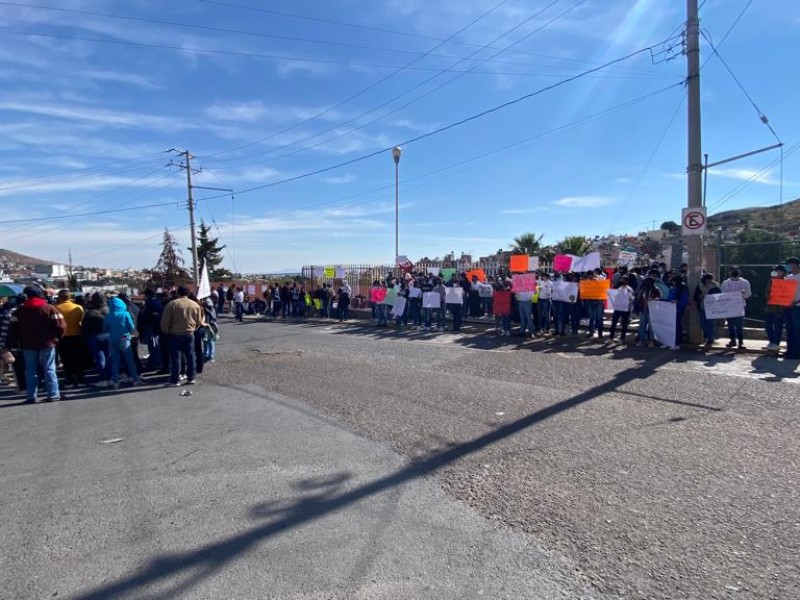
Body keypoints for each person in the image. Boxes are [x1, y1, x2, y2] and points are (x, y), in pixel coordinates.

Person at [6, 286, 67, 403]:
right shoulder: (49, 308)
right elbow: (61, 326)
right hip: (47, 344)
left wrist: (17, 343)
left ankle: (31, 396)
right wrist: (56, 339)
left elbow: (13, 330)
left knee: (30, 371)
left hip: (28, 345)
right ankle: (53, 394)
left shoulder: (19, 311)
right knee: (49, 369)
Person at [160, 285, 205, 387]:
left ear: (178, 293)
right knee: (190, 356)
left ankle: (175, 380)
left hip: (174, 334)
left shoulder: (172, 304)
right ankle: (191, 378)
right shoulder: (195, 305)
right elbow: (199, 321)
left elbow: (165, 322)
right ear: (188, 293)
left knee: (175, 357)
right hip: (189, 333)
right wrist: (193, 329)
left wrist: (166, 331)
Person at [104, 296, 143, 389]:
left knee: (115, 361)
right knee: (130, 360)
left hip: (112, 339)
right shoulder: (125, 314)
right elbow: (131, 327)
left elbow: (105, 328)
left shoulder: (109, 315)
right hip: (124, 338)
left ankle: (115, 382)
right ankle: (135, 379)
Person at [55, 289, 85, 387]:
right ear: (70, 297)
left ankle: (70, 380)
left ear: (59, 298)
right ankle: (80, 378)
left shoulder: (56, 308)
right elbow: (81, 322)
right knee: (78, 358)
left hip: (63, 337)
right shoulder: (78, 307)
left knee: (66, 360)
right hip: (77, 335)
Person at [721, 268, 751, 349]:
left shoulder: (744, 282)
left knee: (739, 325)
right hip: (729, 307)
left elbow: (748, 294)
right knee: (730, 325)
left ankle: (741, 342)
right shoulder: (726, 283)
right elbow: (722, 294)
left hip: (739, 307)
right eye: (732, 270)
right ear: (729, 272)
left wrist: (743, 294)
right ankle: (732, 340)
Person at [693, 273, 721, 348]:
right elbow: (695, 296)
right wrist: (700, 296)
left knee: (710, 324)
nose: (710, 281)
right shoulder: (700, 285)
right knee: (703, 323)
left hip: (712, 308)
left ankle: (710, 339)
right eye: (708, 279)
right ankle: (706, 335)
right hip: (703, 307)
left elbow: (719, 295)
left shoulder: (715, 285)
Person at [764, 266, 787, 353]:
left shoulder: (786, 281)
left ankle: (776, 343)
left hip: (780, 308)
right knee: (768, 326)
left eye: (780, 271)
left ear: (783, 273)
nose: (778, 273)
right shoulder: (771, 281)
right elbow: (766, 292)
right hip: (769, 307)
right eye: (777, 271)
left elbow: (786, 295)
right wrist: (769, 297)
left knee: (778, 327)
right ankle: (771, 342)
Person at [783, 257, 800, 359]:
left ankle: (797, 352)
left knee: (797, 330)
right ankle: (790, 351)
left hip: (797, 307)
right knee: (789, 329)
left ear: (795, 265)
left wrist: (796, 302)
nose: (788, 266)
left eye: (789, 264)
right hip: (788, 307)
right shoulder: (788, 277)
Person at [608, 276, 634, 343]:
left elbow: (632, 299)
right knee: (614, 323)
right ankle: (611, 337)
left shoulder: (629, 289)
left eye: (623, 280)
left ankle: (622, 338)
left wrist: (629, 296)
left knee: (624, 324)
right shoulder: (619, 288)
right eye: (621, 280)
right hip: (618, 308)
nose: (621, 281)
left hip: (625, 309)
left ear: (626, 281)